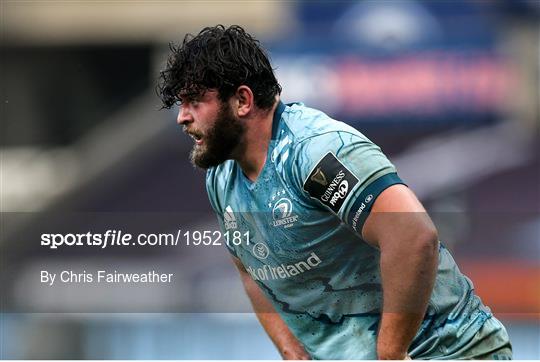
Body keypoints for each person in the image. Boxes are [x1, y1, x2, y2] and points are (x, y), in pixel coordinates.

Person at [158, 25, 512, 360]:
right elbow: (250, 268)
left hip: (448, 351)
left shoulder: (315, 153)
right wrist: (290, 350)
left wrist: (390, 354)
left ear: (242, 100)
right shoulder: (221, 177)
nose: (182, 117)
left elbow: (412, 237)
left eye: (193, 102)